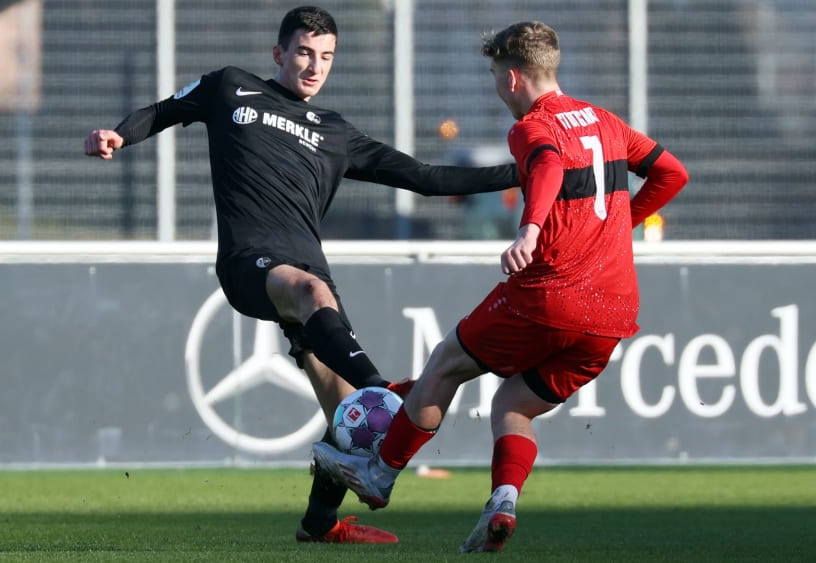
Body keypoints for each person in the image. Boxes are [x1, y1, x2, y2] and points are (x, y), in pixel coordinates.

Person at [84, 6, 519, 544]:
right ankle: (381, 390)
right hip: (251, 264)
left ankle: (319, 525)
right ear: (279, 54)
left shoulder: (335, 132)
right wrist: (120, 136)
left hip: (310, 274)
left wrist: (526, 170)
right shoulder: (230, 88)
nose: (315, 66)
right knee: (344, 357)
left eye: (327, 57)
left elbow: (428, 178)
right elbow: (163, 110)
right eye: (305, 53)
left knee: (346, 423)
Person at [313, 20, 689, 552]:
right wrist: (617, 227)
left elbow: (548, 165)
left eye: (494, 76)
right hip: (614, 311)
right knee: (513, 405)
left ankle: (380, 474)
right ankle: (504, 501)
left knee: (445, 363)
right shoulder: (607, 122)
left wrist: (530, 230)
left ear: (512, 78)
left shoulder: (534, 127)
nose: (496, 88)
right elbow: (673, 173)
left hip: (551, 293)